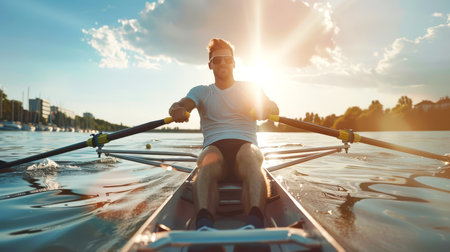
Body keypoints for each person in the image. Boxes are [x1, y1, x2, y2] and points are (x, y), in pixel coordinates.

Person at [169, 38, 279, 231]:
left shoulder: (249, 88)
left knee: (249, 153)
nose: (223, 63)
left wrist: (267, 109)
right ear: (210, 65)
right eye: (217, 60)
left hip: (245, 152)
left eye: (227, 59)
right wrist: (176, 110)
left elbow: (272, 106)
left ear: (234, 63)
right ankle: (203, 225)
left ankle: (254, 223)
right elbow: (180, 105)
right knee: (207, 157)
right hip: (215, 153)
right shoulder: (201, 92)